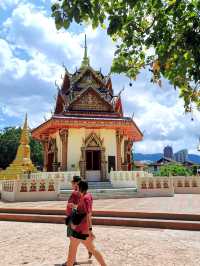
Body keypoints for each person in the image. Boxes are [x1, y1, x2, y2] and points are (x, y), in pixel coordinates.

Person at [67, 180, 107, 266]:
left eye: (77, 187)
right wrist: (75, 206)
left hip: (81, 230)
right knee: (91, 249)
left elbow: (88, 214)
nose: (76, 189)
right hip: (81, 230)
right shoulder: (87, 196)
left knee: (73, 251)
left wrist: (90, 230)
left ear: (80, 188)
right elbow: (83, 210)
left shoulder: (85, 198)